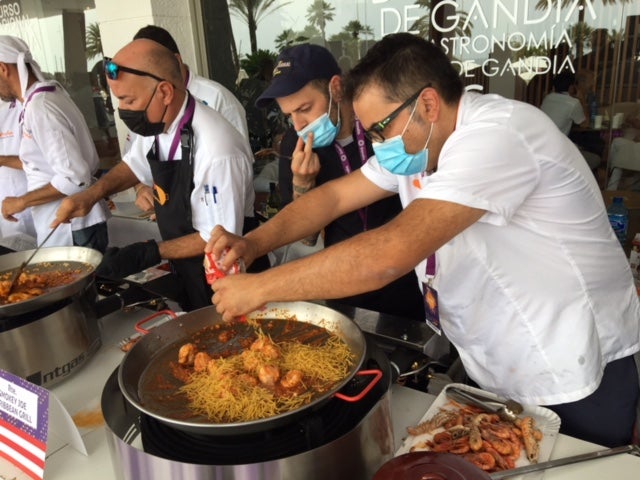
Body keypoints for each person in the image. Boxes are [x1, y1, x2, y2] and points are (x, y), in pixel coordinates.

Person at [206, 33, 640, 448]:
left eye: (378, 130)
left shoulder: (499, 135)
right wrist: (253, 244)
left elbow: (388, 254)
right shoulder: (423, 142)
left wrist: (260, 288)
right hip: (497, 363)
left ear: (427, 103)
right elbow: (336, 195)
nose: (377, 145)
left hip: (572, 368)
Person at [52, 38, 256, 312]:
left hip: (226, 277)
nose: (123, 110)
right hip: (187, 270)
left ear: (164, 92)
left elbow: (216, 238)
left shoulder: (218, 148)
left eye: (129, 100)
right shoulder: (158, 125)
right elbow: (135, 166)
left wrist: (150, 252)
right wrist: (91, 195)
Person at [252, 43, 424, 320]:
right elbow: (307, 238)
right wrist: (302, 184)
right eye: (289, 116)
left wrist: (259, 286)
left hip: (408, 277)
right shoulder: (294, 145)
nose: (298, 125)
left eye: (305, 108)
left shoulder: (381, 126)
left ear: (336, 88)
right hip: (343, 284)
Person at [0, 35, 109, 252]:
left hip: (71, 226)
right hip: (68, 223)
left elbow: (75, 177)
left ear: (3, 68)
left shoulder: (41, 107)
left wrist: (21, 202)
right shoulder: (45, 98)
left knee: (75, 285)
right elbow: (43, 163)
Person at [129, 25, 249, 216]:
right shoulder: (147, 104)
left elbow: (238, 169)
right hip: (170, 217)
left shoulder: (218, 99)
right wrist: (140, 187)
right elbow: (135, 160)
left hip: (219, 219)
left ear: (176, 61)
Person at [540, 70, 600, 172]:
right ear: (572, 87)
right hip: (559, 150)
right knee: (595, 159)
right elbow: (585, 124)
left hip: (543, 146)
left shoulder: (548, 98)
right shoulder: (573, 103)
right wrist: (582, 101)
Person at [0, 99, 35, 245]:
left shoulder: (27, 106)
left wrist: (2, 160)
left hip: (33, 200)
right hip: (7, 207)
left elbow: (42, 162)